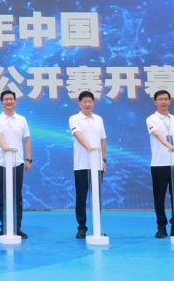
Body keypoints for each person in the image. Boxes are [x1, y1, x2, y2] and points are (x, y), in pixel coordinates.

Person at [146, 89, 174, 238]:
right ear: (155, 102)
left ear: (169, 101)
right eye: (160, 99)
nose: (163, 101)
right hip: (159, 164)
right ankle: (161, 226)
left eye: (165, 99)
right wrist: (170, 147)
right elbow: (157, 135)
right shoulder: (151, 119)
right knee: (159, 197)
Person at [0, 90, 32, 239]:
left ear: (15, 102)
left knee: (17, 196)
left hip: (17, 162)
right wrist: (6, 149)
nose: (9, 102)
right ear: (1, 103)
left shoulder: (22, 120)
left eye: (11, 99)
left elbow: (26, 140)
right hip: (1, 163)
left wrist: (28, 159)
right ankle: (4, 227)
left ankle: (17, 227)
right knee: (2, 196)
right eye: (6, 99)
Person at [69, 90, 107, 239]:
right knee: (81, 197)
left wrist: (103, 159)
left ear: (93, 103)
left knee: (97, 197)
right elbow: (78, 135)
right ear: (79, 104)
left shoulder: (99, 119)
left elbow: (103, 140)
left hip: (97, 165)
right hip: (82, 164)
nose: (87, 104)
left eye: (90, 102)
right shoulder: (74, 118)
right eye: (84, 102)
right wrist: (90, 149)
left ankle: (97, 227)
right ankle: (82, 228)